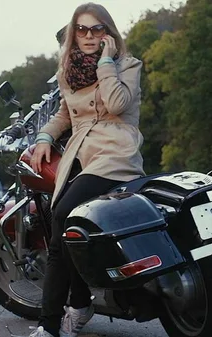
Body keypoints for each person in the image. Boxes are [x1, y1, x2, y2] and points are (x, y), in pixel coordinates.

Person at [26, 2, 145, 336]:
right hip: (80, 156)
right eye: (82, 29)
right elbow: (66, 113)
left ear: (107, 32)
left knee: (63, 213)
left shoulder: (127, 65)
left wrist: (106, 63)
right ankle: (79, 300)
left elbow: (118, 104)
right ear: (73, 34)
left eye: (97, 29)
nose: (89, 36)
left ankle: (51, 325)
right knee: (58, 225)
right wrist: (45, 136)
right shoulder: (69, 72)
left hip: (115, 154)